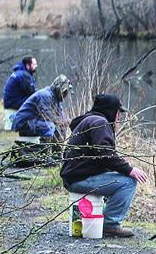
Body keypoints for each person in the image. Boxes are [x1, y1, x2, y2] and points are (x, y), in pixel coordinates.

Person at [59, 93, 148, 238]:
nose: (119, 117)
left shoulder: (91, 121)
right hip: (78, 179)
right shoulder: (100, 123)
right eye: (118, 113)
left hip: (76, 176)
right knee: (128, 182)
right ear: (111, 110)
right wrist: (130, 170)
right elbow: (105, 154)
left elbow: (100, 157)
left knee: (121, 179)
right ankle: (110, 225)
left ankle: (104, 221)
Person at [12, 74, 71, 139]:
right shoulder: (45, 95)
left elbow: (61, 115)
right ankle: (44, 148)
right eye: (64, 92)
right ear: (58, 89)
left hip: (34, 122)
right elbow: (47, 116)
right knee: (51, 127)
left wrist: (69, 121)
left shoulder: (56, 99)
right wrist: (62, 122)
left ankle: (57, 148)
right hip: (25, 123)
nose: (65, 95)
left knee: (61, 128)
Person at [2, 56, 37, 129]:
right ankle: (30, 124)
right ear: (28, 65)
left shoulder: (19, 72)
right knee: (36, 101)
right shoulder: (24, 75)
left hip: (10, 101)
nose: (36, 66)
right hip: (13, 102)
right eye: (34, 64)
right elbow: (31, 92)